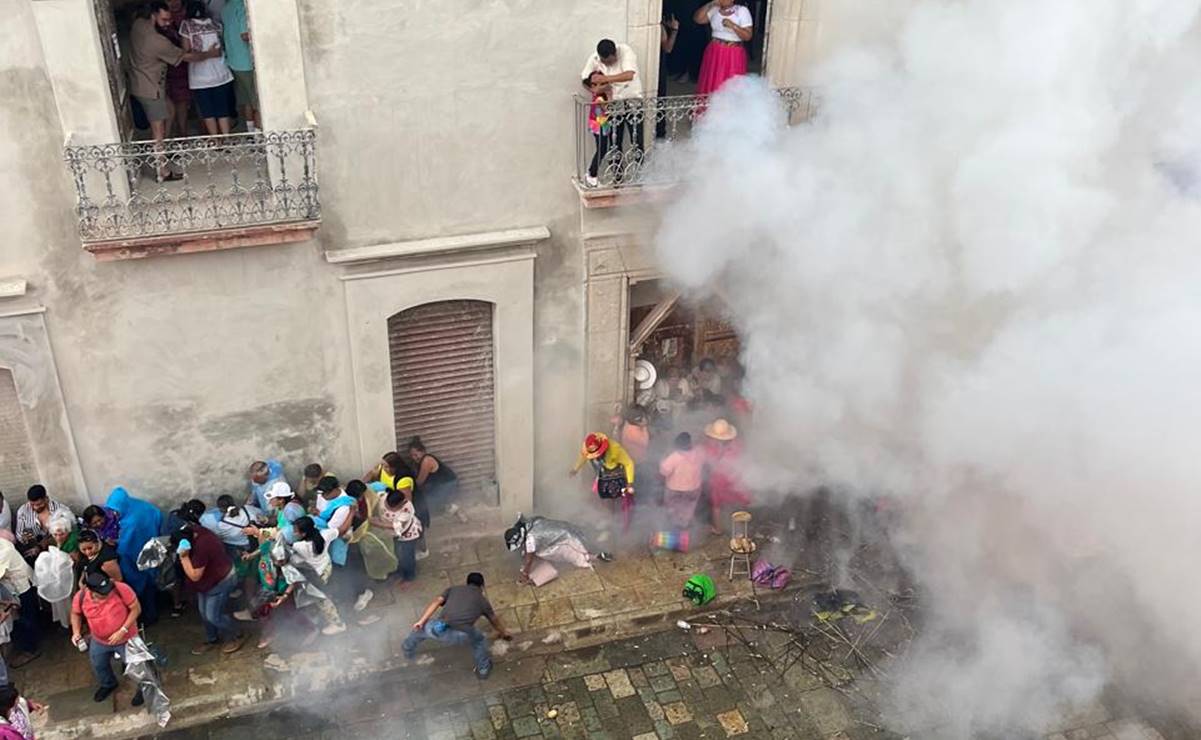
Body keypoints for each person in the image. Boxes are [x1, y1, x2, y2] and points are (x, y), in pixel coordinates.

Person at [128, 1, 221, 180]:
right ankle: (162, 171)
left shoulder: (139, 23)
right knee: (158, 130)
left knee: (170, 110)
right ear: (154, 14)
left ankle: (165, 148)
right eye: (164, 20)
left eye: (169, 19)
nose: (168, 23)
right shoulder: (157, 41)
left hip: (140, 81)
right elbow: (187, 57)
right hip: (150, 88)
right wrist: (209, 54)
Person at [403, 573, 511, 680]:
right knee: (480, 641)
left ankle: (407, 648)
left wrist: (421, 621)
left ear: (467, 582)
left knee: (421, 629)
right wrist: (503, 633)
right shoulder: (483, 601)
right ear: (482, 585)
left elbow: (436, 602)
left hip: (439, 629)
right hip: (462, 635)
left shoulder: (453, 589)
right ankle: (483, 669)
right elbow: (494, 620)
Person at [70, 571, 144, 705]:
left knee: (136, 665)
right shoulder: (80, 597)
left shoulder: (121, 589)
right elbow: (75, 613)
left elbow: (136, 609)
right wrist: (76, 632)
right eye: (101, 593)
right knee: (98, 664)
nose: (107, 594)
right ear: (89, 590)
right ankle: (108, 683)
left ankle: (143, 688)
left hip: (126, 637)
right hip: (99, 640)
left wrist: (123, 630)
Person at [173, 521, 245, 654]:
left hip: (220, 581)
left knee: (213, 616)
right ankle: (212, 639)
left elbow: (195, 575)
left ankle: (236, 634)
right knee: (204, 613)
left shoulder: (203, 546)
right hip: (207, 582)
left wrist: (184, 557)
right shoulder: (195, 531)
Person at [579, 39, 643, 187]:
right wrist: (596, 90)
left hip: (632, 103)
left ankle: (640, 177)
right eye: (602, 61)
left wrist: (605, 80)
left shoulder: (625, 51)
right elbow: (584, 78)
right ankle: (617, 177)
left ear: (614, 55)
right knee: (615, 142)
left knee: (636, 141)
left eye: (607, 61)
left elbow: (629, 75)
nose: (604, 64)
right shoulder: (595, 57)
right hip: (613, 106)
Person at [276, 517, 345, 635]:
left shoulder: (299, 546)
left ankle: (338, 624)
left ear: (304, 533)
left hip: (315, 574)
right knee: (323, 593)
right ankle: (325, 614)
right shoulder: (324, 535)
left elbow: (287, 557)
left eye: (296, 531)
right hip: (326, 568)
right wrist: (352, 511)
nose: (294, 533)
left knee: (321, 598)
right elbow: (341, 530)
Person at [105, 487, 163, 625]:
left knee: (142, 588)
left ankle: (148, 617)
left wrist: (114, 544)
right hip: (151, 549)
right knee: (149, 582)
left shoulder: (130, 522)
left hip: (136, 556)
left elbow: (125, 546)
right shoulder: (138, 506)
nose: (114, 513)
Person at [504, 514, 612, 585]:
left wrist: (525, 574)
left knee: (575, 556)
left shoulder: (530, 539)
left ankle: (595, 556)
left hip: (565, 538)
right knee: (581, 536)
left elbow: (528, 560)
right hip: (562, 527)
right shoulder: (527, 523)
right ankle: (596, 540)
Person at [179, 0, 236, 135]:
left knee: (207, 111)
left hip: (199, 77)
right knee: (223, 109)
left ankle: (216, 140)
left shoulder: (186, 26)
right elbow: (223, 46)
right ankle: (227, 138)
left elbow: (185, 51)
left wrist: (202, 54)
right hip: (221, 73)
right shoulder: (216, 24)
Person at [570, 433, 636, 532]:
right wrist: (575, 469)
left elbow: (628, 463)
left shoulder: (615, 449)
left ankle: (619, 527)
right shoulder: (587, 451)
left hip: (617, 477)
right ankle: (605, 523)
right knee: (599, 499)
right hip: (602, 476)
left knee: (618, 502)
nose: (595, 457)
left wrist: (630, 482)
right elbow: (583, 457)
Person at [692, 0, 753, 96]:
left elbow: (748, 36)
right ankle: (708, 108)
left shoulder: (742, 11)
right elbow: (698, 19)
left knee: (730, 83)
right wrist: (710, 4)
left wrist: (733, 26)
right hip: (715, 51)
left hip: (733, 53)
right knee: (712, 79)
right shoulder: (715, 9)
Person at [703, 418, 750, 535]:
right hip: (736, 477)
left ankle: (718, 529)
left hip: (720, 479)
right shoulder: (737, 444)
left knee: (717, 505)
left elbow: (707, 461)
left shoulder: (710, 446)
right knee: (739, 498)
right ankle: (741, 526)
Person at [373, 480, 421, 588]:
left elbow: (395, 525)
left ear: (401, 503)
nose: (389, 509)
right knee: (396, 553)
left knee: (407, 556)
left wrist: (377, 523)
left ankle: (409, 577)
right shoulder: (382, 496)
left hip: (407, 535)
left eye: (393, 509)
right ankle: (399, 570)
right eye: (387, 506)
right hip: (392, 535)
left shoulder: (407, 509)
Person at [221, 0, 259, 132]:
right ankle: (260, 136)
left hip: (234, 61)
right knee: (258, 103)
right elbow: (245, 35)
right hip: (246, 62)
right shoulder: (242, 6)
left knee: (247, 101)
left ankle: (251, 133)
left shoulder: (226, 7)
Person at [0, 540, 38, 669]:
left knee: (27, 618)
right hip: (14, 587)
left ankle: (31, 650)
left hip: (22, 587)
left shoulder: (3, 551)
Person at [659, 433, 707, 529]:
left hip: (675, 489)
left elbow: (664, 472)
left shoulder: (674, 457)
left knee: (673, 508)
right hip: (694, 488)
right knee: (688, 508)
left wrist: (662, 460)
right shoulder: (699, 453)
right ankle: (685, 524)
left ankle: (674, 526)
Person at [160, 0, 192, 139]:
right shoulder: (160, 20)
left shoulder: (189, 15)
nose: (174, 2)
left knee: (182, 101)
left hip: (184, 65)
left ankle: (182, 134)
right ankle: (168, 137)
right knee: (167, 104)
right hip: (163, 66)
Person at [14, 486, 71, 562]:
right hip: (33, 550)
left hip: (59, 547)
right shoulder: (23, 511)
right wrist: (25, 537)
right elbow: (19, 535)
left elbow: (69, 530)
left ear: (46, 499)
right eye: (32, 504)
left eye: (39, 504)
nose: (35, 507)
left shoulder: (60, 509)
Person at [408, 436, 459, 521]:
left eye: (416, 454)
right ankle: (445, 505)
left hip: (449, 485)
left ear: (423, 451)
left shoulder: (427, 461)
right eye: (412, 456)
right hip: (439, 485)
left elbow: (419, 482)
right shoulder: (419, 462)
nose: (414, 457)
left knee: (424, 507)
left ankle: (451, 506)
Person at [583, 71, 613, 187]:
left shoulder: (597, 95)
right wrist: (609, 94)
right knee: (602, 149)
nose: (597, 87)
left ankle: (592, 173)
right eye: (594, 85)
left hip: (597, 123)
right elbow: (608, 107)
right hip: (600, 124)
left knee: (601, 148)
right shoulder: (600, 97)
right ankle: (592, 174)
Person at [656, 11, 680, 139]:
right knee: (659, 99)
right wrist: (674, 30)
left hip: (656, 65)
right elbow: (668, 48)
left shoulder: (659, 27)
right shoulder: (658, 27)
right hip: (657, 67)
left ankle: (659, 132)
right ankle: (660, 133)